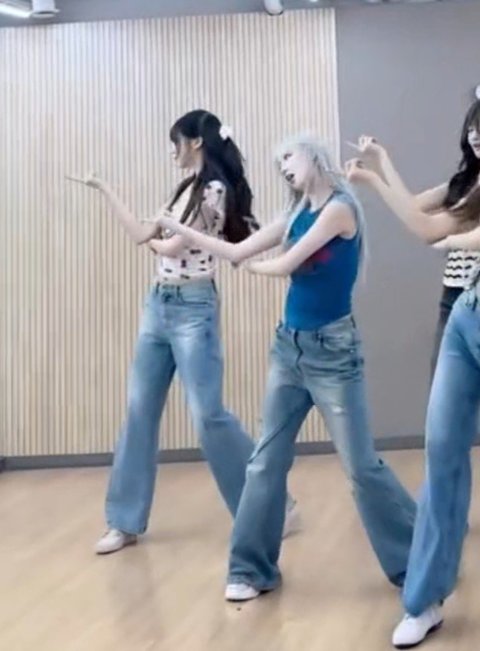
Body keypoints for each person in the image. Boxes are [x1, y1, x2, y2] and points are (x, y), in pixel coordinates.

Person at [155, 133, 416, 602]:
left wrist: (252, 266)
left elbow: (286, 265)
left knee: (361, 468)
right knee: (263, 463)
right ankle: (250, 570)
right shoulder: (295, 214)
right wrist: (180, 230)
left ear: (314, 155)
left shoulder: (339, 210)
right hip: (288, 350)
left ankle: (419, 558)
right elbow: (236, 251)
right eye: (279, 164)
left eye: (289, 158)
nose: (285, 168)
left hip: (333, 354)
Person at [67, 109, 298, 555]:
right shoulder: (184, 190)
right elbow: (143, 234)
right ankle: (124, 521)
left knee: (208, 416)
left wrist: (158, 232)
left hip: (194, 308)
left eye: (176, 141)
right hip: (158, 305)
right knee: (139, 410)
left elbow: (170, 245)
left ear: (195, 142)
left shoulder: (213, 191)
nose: (173, 150)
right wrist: (104, 188)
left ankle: (274, 505)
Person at [345, 102, 480, 647]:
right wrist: (379, 170)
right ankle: (423, 599)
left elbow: (433, 231)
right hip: (466, 312)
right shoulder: (469, 185)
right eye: (475, 126)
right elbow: (421, 219)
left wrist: (456, 240)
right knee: (441, 451)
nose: (478, 135)